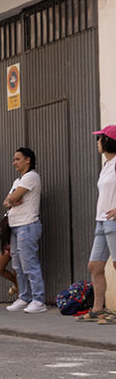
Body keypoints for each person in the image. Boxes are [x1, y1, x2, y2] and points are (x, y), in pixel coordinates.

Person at [1, 147, 45, 313]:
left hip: (27, 225)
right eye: (14, 159)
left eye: (18, 159)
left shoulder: (31, 176)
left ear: (28, 160)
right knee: (18, 266)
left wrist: (12, 199)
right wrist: (12, 200)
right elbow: (6, 201)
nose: (14, 162)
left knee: (29, 264)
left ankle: (38, 300)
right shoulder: (18, 181)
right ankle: (24, 297)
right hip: (15, 226)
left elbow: (11, 198)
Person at [83, 126, 116, 322]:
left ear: (108, 141)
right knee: (95, 266)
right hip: (102, 221)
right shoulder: (107, 164)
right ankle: (97, 309)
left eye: (100, 138)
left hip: (114, 221)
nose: (97, 142)